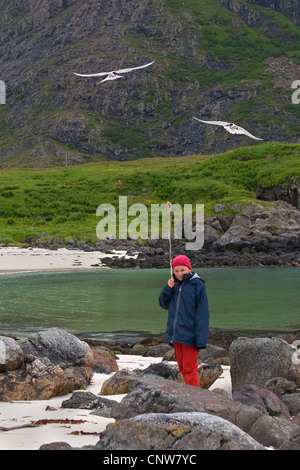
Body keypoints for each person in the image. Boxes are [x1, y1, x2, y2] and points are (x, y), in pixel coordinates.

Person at [159, 254, 209, 387]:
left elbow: (202, 314)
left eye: (182, 270)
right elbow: (163, 304)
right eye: (176, 271)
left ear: (189, 269)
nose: (179, 273)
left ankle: (196, 397)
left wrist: (200, 339)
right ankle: (190, 395)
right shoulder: (173, 285)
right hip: (176, 335)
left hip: (190, 335)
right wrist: (167, 289)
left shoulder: (197, 285)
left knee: (189, 368)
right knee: (182, 368)